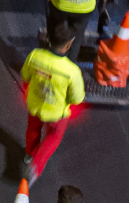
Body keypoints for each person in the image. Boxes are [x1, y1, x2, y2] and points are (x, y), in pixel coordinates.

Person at [20, 23, 84, 184]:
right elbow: (77, 98)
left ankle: (29, 155)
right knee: (53, 138)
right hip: (56, 114)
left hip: (34, 104)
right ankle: (36, 166)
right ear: (69, 44)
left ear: (48, 39)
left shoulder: (35, 56)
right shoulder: (72, 71)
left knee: (33, 129)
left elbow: (25, 75)